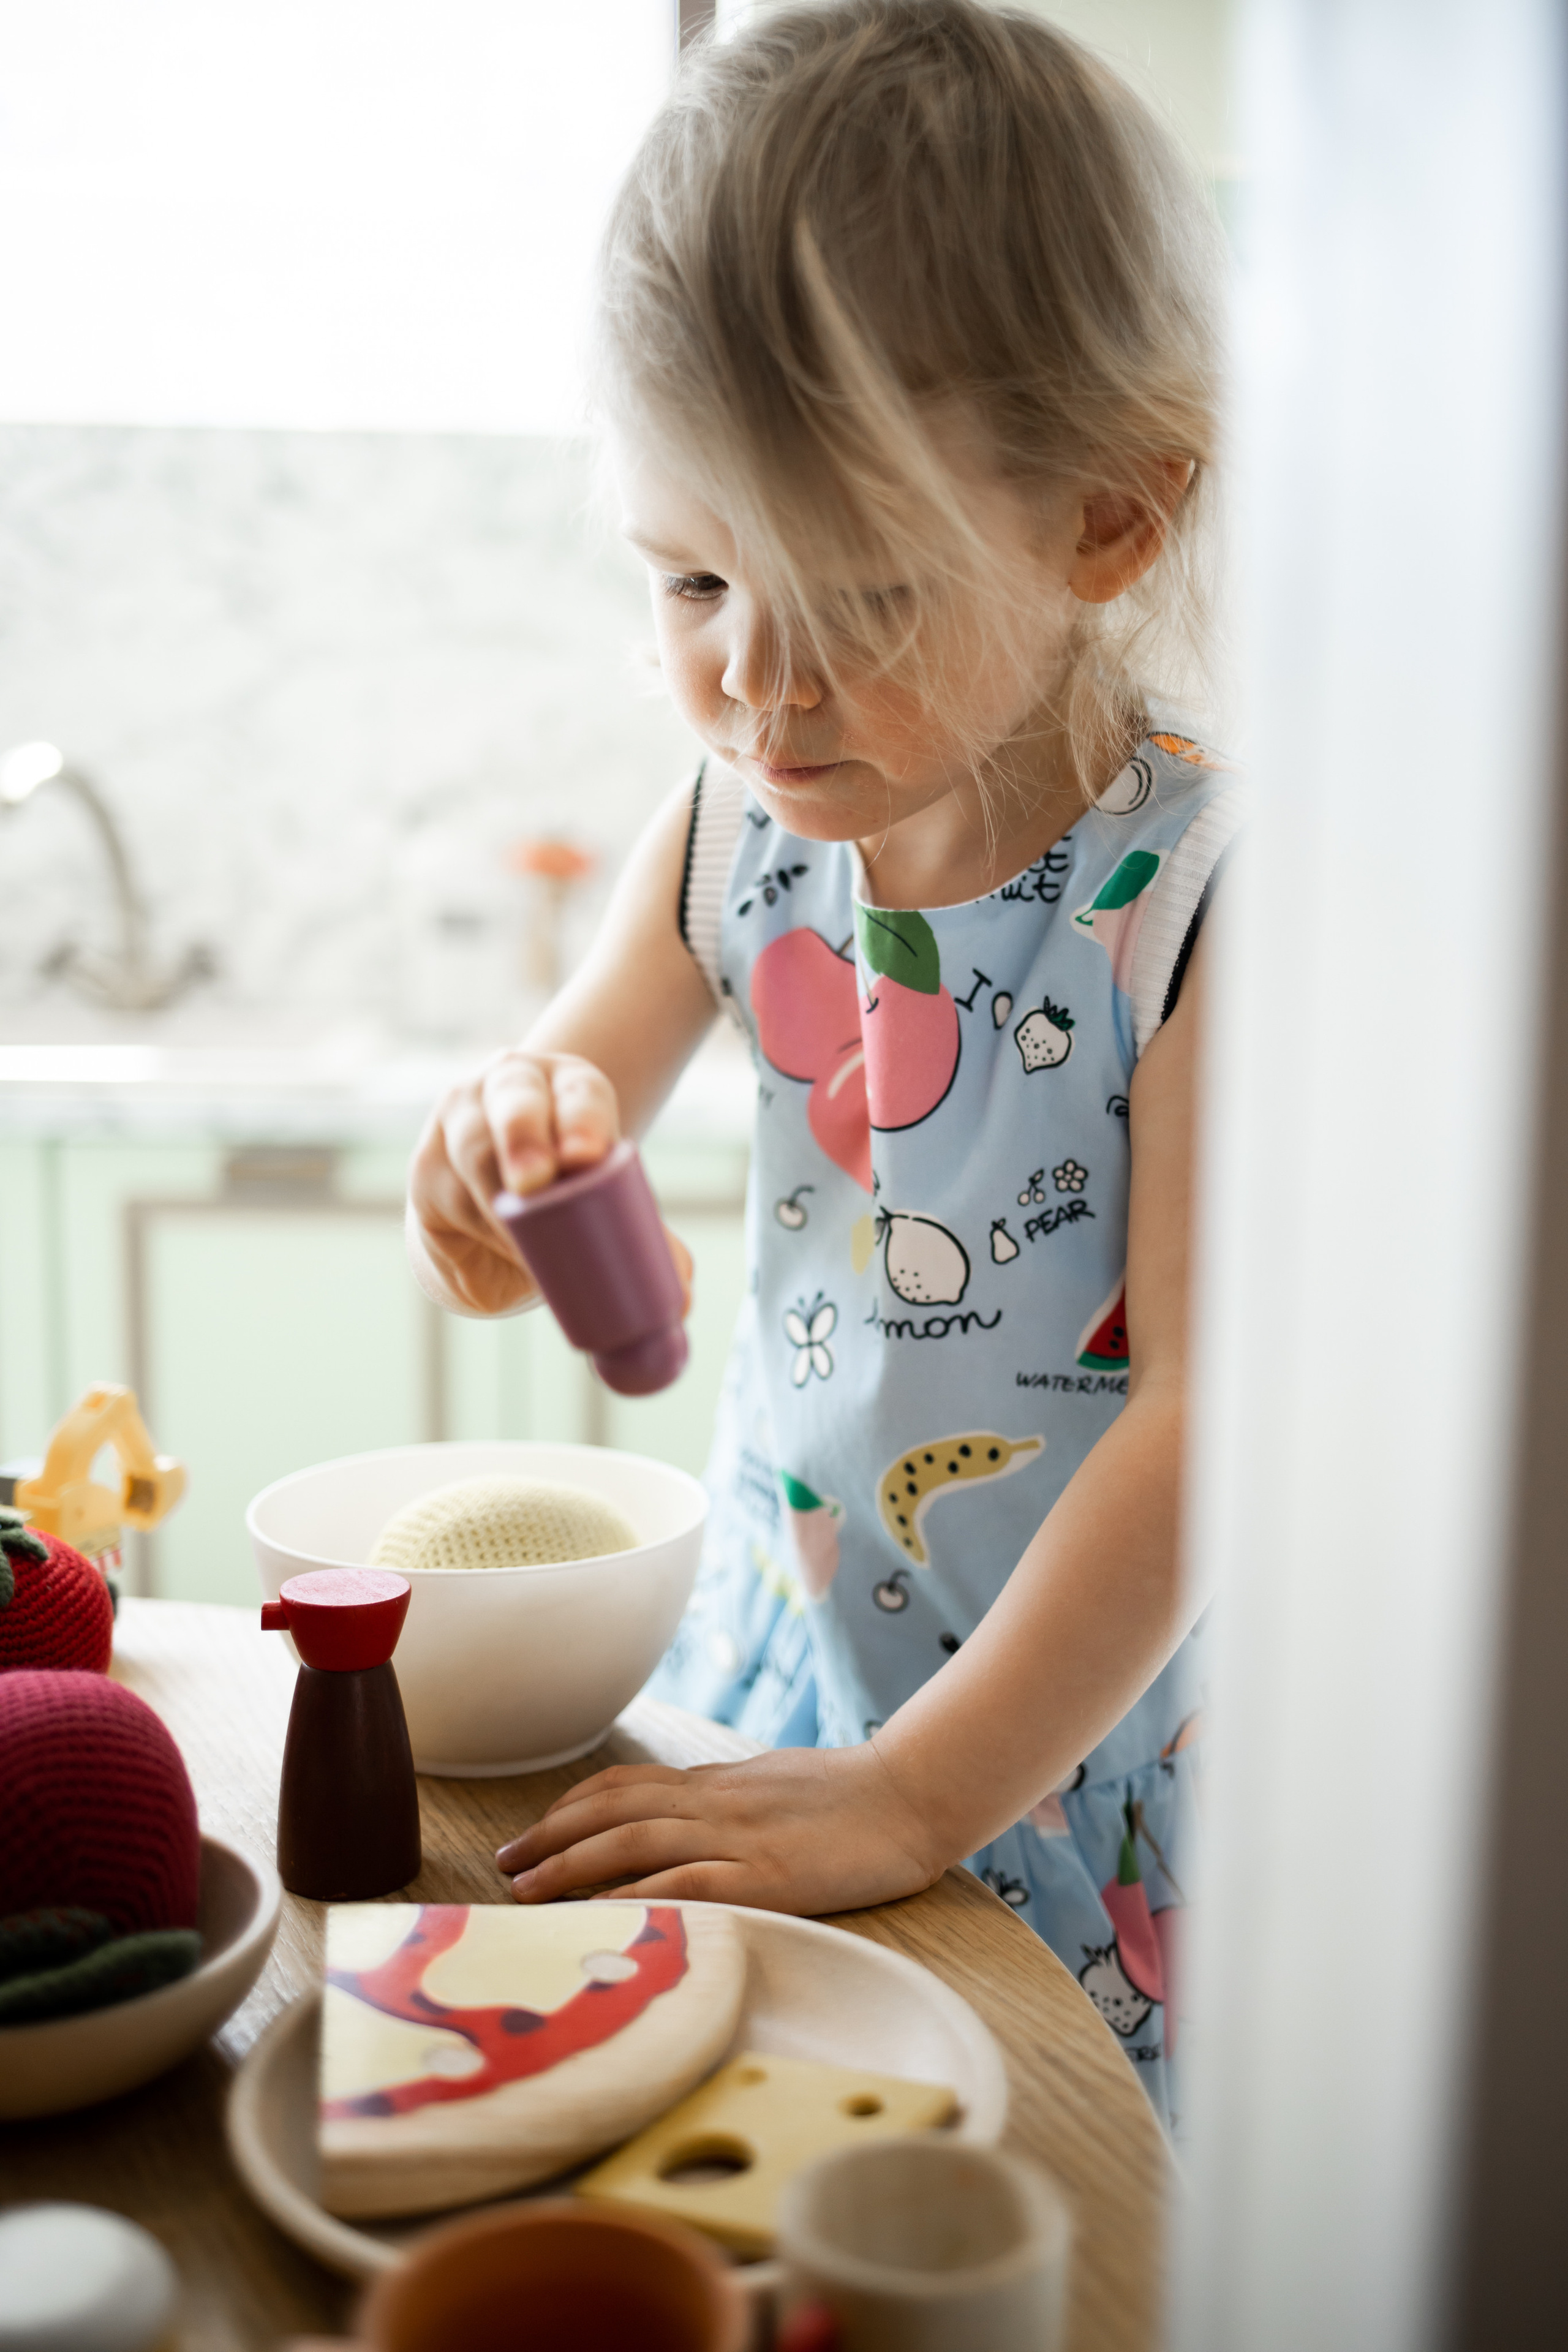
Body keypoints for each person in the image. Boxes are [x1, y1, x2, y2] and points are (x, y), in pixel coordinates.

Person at [406, 0, 1240, 2132]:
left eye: (858, 592)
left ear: (1107, 525)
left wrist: (915, 1797)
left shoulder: (1203, 904)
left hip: (1058, 1748)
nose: (758, 693)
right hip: (791, 1683)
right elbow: (550, 1140)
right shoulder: (736, 830)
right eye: (693, 578)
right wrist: (507, 1145)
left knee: (1032, 2207)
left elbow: (1206, 1426)